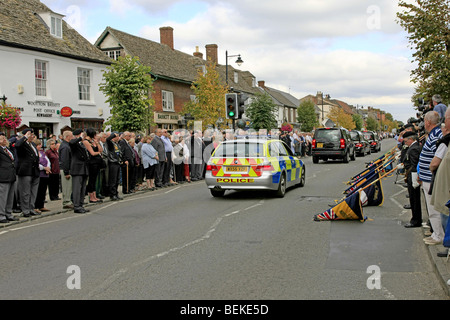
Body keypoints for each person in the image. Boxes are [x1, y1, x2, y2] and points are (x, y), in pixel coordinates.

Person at [418, 111, 444, 244]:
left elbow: (437, 157)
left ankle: (438, 235)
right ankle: (435, 233)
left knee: (434, 208)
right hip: (426, 177)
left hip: (430, 178)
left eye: (424, 121)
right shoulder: (434, 134)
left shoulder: (437, 135)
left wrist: (428, 169)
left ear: (428, 122)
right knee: (431, 208)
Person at [431, 108, 450, 256]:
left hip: (446, 193)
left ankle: (443, 240)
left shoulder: (446, 141)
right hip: (445, 191)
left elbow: (435, 163)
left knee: (444, 217)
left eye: (447, 119)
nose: (445, 123)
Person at [15, 128, 41, 217]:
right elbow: (17, 145)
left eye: (32, 135)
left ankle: (31, 208)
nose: (32, 136)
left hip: (35, 171)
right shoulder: (22, 144)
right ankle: (25, 210)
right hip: (26, 171)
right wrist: (25, 137)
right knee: (25, 192)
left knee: (33, 192)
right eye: (30, 134)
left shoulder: (33, 144)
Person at [402, 131, 422, 228]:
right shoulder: (413, 147)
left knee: (415, 200)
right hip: (411, 174)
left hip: (413, 175)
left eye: (406, 141)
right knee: (413, 198)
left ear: (411, 139)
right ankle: (416, 219)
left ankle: (416, 220)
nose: (405, 143)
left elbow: (414, 165)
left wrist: (414, 179)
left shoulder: (414, 149)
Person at [0, 132, 19, 223]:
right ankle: (1, 215)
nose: (4, 140)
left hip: (11, 175)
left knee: (10, 196)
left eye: (4, 138)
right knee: (2, 197)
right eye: (2, 139)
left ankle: (8, 213)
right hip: (3, 176)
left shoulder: (7, 149)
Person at [69, 129, 90, 214]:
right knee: (77, 188)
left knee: (82, 188)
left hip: (83, 168)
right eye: (82, 135)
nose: (84, 137)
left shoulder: (81, 144)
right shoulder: (74, 143)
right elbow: (72, 142)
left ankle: (80, 204)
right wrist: (79, 138)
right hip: (77, 169)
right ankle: (76, 206)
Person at [83, 128, 104, 203]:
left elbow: (101, 150)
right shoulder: (86, 141)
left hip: (97, 163)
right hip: (91, 163)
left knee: (94, 180)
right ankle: (91, 196)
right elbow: (92, 153)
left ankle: (95, 196)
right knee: (91, 180)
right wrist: (98, 153)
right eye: (95, 134)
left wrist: (97, 143)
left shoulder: (93, 141)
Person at [34, 139, 51, 213]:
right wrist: (44, 168)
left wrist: (48, 168)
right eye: (38, 145)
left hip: (45, 174)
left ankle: (41, 205)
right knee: (38, 190)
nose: (40, 146)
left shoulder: (42, 153)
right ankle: (36, 206)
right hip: (39, 174)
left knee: (43, 190)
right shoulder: (35, 154)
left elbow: (48, 161)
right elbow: (36, 163)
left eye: (40, 145)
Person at [106, 132, 123, 201]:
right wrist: (113, 135)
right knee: (113, 180)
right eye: (117, 136)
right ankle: (112, 194)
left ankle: (116, 193)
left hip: (117, 162)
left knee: (117, 179)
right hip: (113, 162)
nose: (118, 137)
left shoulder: (117, 144)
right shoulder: (110, 144)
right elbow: (107, 140)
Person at [59, 130, 73, 209]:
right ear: (67, 137)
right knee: (67, 187)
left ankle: (68, 201)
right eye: (71, 136)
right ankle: (66, 202)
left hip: (67, 168)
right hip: (65, 169)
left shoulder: (66, 145)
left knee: (69, 187)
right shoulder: (65, 147)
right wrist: (66, 172)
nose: (72, 137)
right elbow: (65, 160)